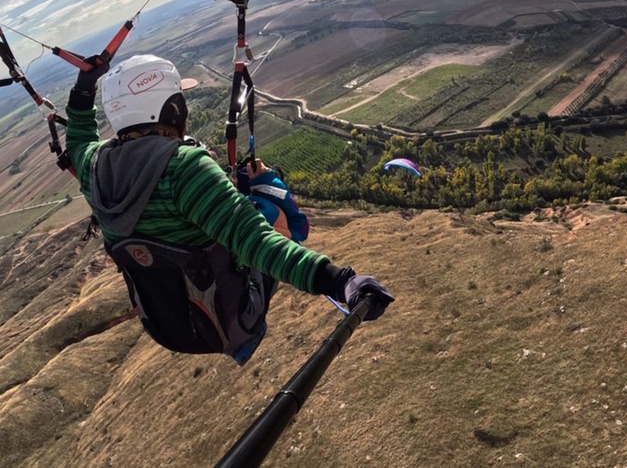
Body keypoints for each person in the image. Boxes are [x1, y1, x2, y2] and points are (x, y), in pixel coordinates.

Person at [65, 54, 393, 365]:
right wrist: (339, 281)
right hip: (232, 320)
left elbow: (78, 141)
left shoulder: (93, 167)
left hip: (167, 329)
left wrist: (83, 88)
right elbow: (256, 242)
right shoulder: (183, 168)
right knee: (270, 209)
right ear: (173, 108)